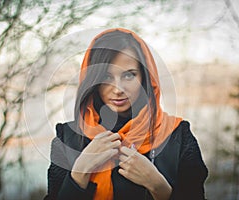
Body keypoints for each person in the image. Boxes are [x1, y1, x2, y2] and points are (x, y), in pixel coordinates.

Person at [43, 28, 208, 200]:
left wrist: (158, 185)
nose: (118, 89)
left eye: (129, 75)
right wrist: (80, 172)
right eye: (106, 77)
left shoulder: (177, 135)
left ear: (145, 77)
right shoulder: (68, 137)